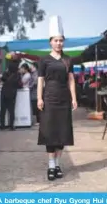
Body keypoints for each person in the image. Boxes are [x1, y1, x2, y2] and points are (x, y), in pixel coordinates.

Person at [37, 16, 77, 181]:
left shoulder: (68, 60)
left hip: (64, 99)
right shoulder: (44, 60)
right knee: (49, 132)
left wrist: (74, 98)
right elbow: (40, 80)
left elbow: (71, 80)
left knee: (62, 132)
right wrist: (39, 98)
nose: (59, 43)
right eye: (56, 40)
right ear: (50, 42)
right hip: (49, 99)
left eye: (61, 40)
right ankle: (50, 166)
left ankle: (58, 164)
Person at [0, 62, 22, 130]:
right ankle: (11, 126)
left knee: (3, 110)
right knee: (11, 110)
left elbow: (2, 79)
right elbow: (19, 85)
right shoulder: (17, 75)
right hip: (12, 94)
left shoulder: (5, 73)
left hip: (4, 93)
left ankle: (2, 126)